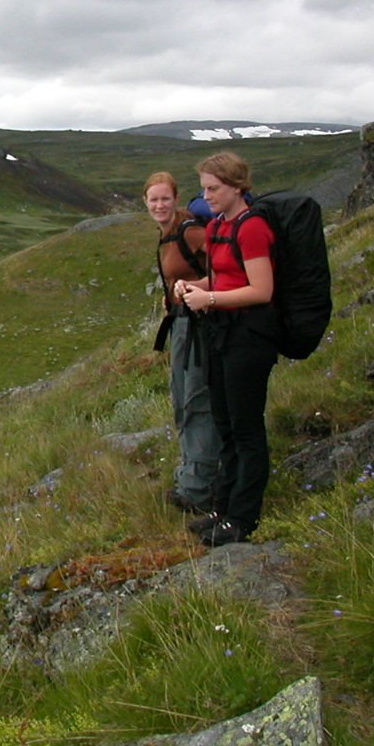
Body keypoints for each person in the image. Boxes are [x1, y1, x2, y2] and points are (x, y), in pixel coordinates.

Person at [175, 152, 278, 547]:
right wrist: (194, 287)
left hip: (249, 337)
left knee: (245, 427)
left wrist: (211, 300)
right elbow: (220, 279)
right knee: (225, 424)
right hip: (222, 333)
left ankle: (243, 518)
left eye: (213, 188)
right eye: (204, 188)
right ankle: (223, 510)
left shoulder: (252, 228)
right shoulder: (218, 225)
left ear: (236, 186)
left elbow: (262, 289)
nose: (206, 196)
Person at [143, 171, 218, 515]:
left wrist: (196, 288)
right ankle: (191, 476)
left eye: (165, 198)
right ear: (145, 202)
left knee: (196, 401)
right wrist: (171, 297)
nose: (159, 205)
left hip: (200, 325)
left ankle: (199, 490)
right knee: (181, 399)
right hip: (181, 324)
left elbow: (231, 269)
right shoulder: (167, 234)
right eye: (153, 199)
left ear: (175, 199)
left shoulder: (190, 231)